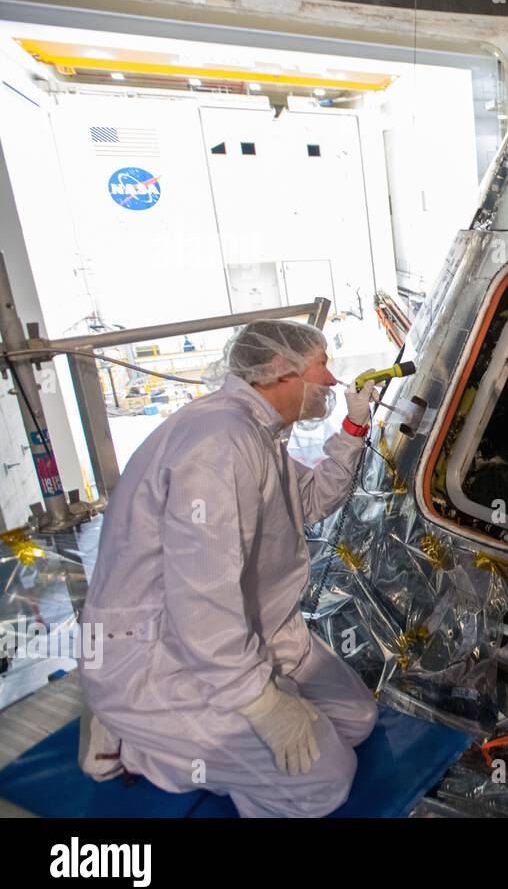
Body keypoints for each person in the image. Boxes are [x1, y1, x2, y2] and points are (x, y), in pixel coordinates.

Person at [77, 319, 380, 817]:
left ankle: (220, 746)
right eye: (320, 365)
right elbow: (203, 601)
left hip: (254, 633)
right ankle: (137, 739)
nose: (330, 381)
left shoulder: (254, 432)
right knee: (324, 781)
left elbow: (308, 499)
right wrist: (262, 704)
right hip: (164, 655)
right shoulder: (219, 443)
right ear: (280, 369)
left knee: (356, 719)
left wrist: (353, 428)